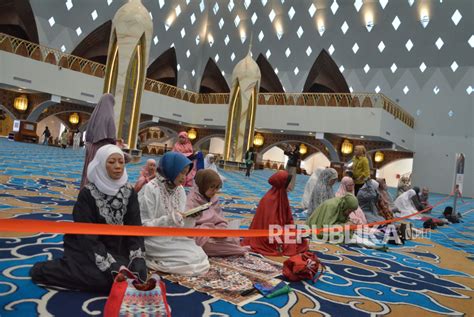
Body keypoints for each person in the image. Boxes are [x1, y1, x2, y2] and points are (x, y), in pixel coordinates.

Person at [30, 145, 147, 292]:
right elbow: (86, 236)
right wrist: (111, 265)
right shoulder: (87, 193)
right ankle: (46, 270)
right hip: (88, 247)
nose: (118, 167)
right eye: (111, 162)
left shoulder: (129, 191)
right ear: (101, 165)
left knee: (138, 273)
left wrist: (137, 257)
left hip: (118, 246)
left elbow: (134, 227)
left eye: (121, 162)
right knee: (102, 280)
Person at [140, 152, 209, 275]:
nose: (184, 177)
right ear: (171, 169)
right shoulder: (150, 189)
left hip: (173, 236)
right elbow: (143, 226)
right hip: (153, 239)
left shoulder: (180, 190)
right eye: (181, 172)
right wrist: (169, 219)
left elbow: (180, 226)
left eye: (186, 173)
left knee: (200, 256)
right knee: (189, 261)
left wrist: (191, 218)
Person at [242, 170, 308, 256]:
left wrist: (289, 229)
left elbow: (287, 219)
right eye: (288, 183)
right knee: (294, 242)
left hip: (278, 229)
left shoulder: (281, 196)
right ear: (282, 184)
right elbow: (271, 226)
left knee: (299, 239)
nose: (291, 186)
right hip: (268, 234)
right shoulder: (270, 199)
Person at [186, 169, 247, 256]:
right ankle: (237, 250)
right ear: (203, 184)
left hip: (215, 231)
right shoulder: (192, 198)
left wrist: (220, 228)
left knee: (232, 238)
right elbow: (188, 223)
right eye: (212, 187)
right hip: (200, 233)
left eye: (217, 188)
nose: (214, 191)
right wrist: (207, 228)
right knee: (205, 243)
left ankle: (233, 249)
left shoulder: (214, 198)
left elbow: (220, 218)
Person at [80, 94, 117, 189]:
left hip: (91, 148)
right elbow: (111, 136)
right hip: (103, 150)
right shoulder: (109, 117)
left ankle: (85, 194)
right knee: (99, 175)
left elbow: (89, 134)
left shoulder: (95, 114)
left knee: (90, 171)